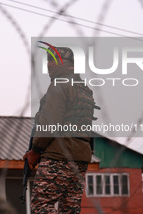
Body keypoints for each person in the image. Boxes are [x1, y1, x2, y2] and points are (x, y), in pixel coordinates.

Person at [23, 45, 99, 214]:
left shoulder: (59, 84)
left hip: (58, 155)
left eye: (52, 60)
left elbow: (51, 123)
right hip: (80, 158)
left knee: (41, 205)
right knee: (70, 209)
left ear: (67, 63)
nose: (48, 64)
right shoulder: (85, 90)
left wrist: (35, 150)